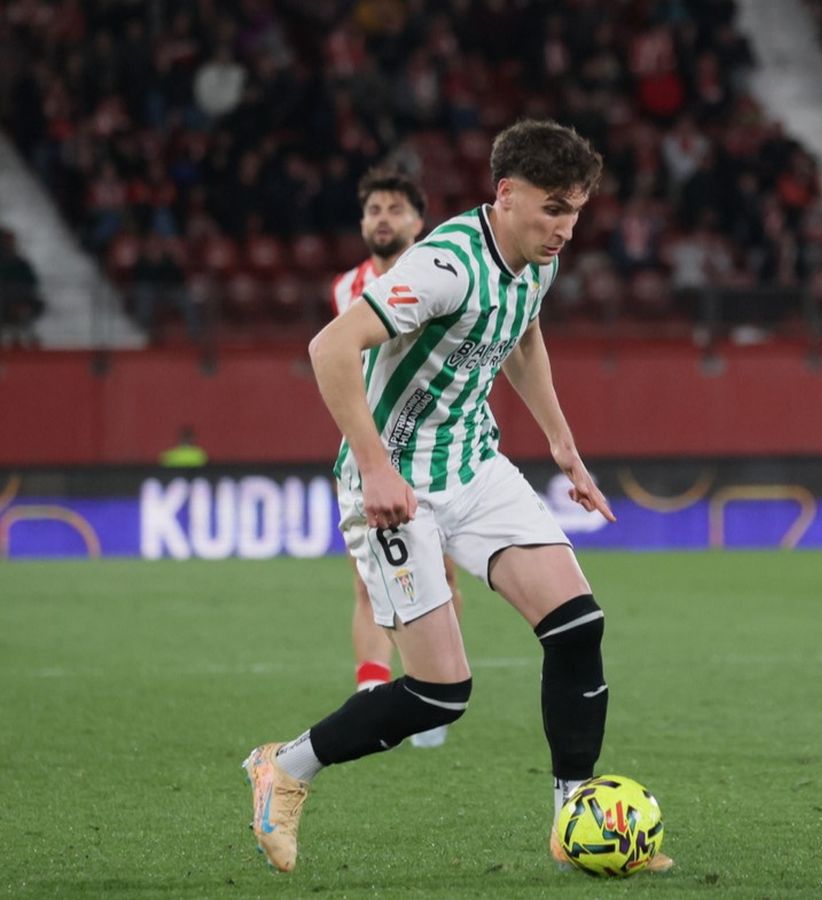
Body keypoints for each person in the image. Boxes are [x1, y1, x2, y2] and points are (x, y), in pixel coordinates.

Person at [243, 120, 673, 875]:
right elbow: (329, 347)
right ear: (505, 195)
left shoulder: (537, 259)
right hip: (396, 484)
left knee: (577, 627)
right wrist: (377, 468)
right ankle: (284, 766)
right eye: (552, 209)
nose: (565, 230)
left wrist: (563, 444)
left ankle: (573, 824)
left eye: (575, 212)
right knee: (440, 694)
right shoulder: (445, 266)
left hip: (473, 464)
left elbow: (524, 335)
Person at [330, 167, 464, 749]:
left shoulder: (440, 277)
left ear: (418, 222)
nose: (382, 219)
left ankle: (431, 692)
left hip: (433, 448)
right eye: (373, 210)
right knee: (369, 581)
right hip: (372, 453)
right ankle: (372, 692)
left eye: (394, 209)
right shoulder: (346, 288)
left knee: (443, 576)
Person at [0, 229, 43, 348]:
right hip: (7, 299)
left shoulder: (20, 262)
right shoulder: (7, 262)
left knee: (23, 308)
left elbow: (32, 280)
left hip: (21, 297)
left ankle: (23, 336)